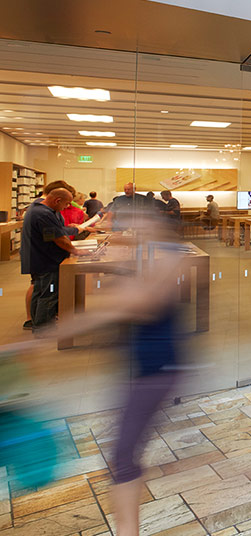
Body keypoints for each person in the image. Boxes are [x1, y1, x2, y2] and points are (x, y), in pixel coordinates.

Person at [9, 213, 189, 536]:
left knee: (122, 457)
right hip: (144, 371)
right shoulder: (152, 263)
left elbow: (129, 306)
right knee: (123, 453)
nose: (131, 235)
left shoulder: (167, 263)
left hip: (158, 373)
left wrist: (45, 338)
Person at [21, 188, 78, 330]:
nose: (66, 207)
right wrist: (76, 251)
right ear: (57, 200)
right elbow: (57, 238)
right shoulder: (44, 214)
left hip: (40, 260)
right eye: (66, 204)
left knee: (40, 292)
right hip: (47, 262)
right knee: (49, 295)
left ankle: (37, 324)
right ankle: (43, 329)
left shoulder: (37, 210)